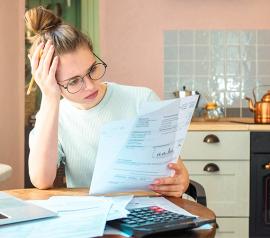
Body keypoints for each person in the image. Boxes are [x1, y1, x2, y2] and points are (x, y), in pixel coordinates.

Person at [25, 6, 189, 197]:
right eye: (74, 81)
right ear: (52, 82)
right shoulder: (53, 116)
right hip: (93, 215)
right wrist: (49, 98)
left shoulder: (143, 100)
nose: (90, 85)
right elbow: (41, 180)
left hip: (146, 211)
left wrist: (181, 179)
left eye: (92, 70)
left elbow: (174, 168)